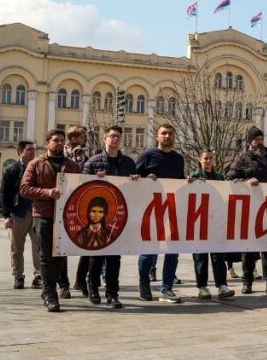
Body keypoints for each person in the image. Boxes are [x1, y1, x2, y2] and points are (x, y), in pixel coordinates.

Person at [20, 129, 81, 312]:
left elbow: (81, 186)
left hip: (66, 216)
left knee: (61, 256)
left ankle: (49, 288)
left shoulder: (72, 165)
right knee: (47, 257)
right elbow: (24, 189)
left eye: (62, 140)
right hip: (43, 215)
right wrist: (47, 193)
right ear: (47, 143)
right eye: (56, 140)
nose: (60, 143)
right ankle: (50, 294)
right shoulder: (36, 164)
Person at [226, 126, 267, 295]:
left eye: (261, 139)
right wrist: (245, 182)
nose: (260, 142)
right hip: (250, 209)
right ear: (250, 141)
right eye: (256, 139)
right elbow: (230, 179)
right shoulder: (242, 157)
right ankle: (247, 282)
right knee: (249, 248)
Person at [82, 125, 138, 309]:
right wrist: (94, 179)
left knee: (115, 257)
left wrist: (136, 180)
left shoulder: (128, 163)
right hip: (98, 215)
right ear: (104, 138)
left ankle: (112, 294)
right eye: (112, 136)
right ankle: (93, 288)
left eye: (118, 136)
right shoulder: (93, 162)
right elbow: (82, 186)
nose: (115, 139)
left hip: (119, 215)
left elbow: (135, 187)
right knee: (96, 255)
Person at [135, 124, 187, 303]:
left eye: (170, 133)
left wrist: (189, 182)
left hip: (172, 210)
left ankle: (167, 288)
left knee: (173, 251)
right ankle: (144, 284)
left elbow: (179, 181)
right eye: (163, 133)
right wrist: (145, 179)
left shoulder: (178, 159)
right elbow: (133, 179)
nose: (167, 136)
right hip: (150, 211)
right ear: (157, 137)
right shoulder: (146, 156)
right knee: (148, 250)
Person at [189, 149, 235, 300]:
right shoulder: (194, 176)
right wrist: (193, 183)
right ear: (200, 160)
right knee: (200, 256)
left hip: (215, 221)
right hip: (199, 222)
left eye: (210, 158)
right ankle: (202, 287)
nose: (208, 161)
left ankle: (222, 286)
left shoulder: (219, 177)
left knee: (218, 256)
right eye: (205, 158)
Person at [1, 140, 41, 290]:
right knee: (16, 248)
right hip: (18, 214)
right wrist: (6, 215)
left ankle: (38, 276)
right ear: (20, 152)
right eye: (29, 149)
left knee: (39, 247)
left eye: (33, 149)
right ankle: (18, 276)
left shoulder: (39, 169)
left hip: (37, 213)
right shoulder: (12, 170)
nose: (32, 152)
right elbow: (4, 193)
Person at [66, 126, 93, 298]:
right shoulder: (78, 151)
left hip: (66, 197)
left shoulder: (63, 151)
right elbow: (84, 171)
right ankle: (80, 279)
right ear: (74, 138)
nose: (85, 139)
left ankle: (64, 283)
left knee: (62, 246)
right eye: (82, 136)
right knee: (88, 245)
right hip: (78, 197)